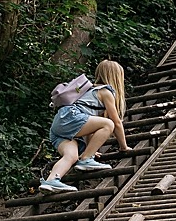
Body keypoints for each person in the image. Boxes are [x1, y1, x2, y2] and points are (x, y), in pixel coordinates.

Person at [38, 60, 131, 193]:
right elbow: (116, 123)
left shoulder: (87, 90)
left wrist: (90, 148)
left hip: (59, 125)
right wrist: (124, 147)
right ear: (116, 77)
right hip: (71, 118)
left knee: (71, 156)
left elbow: (89, 127)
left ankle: (51, 180)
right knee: (108, 124)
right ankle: (86, 159)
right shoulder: (105, 92)